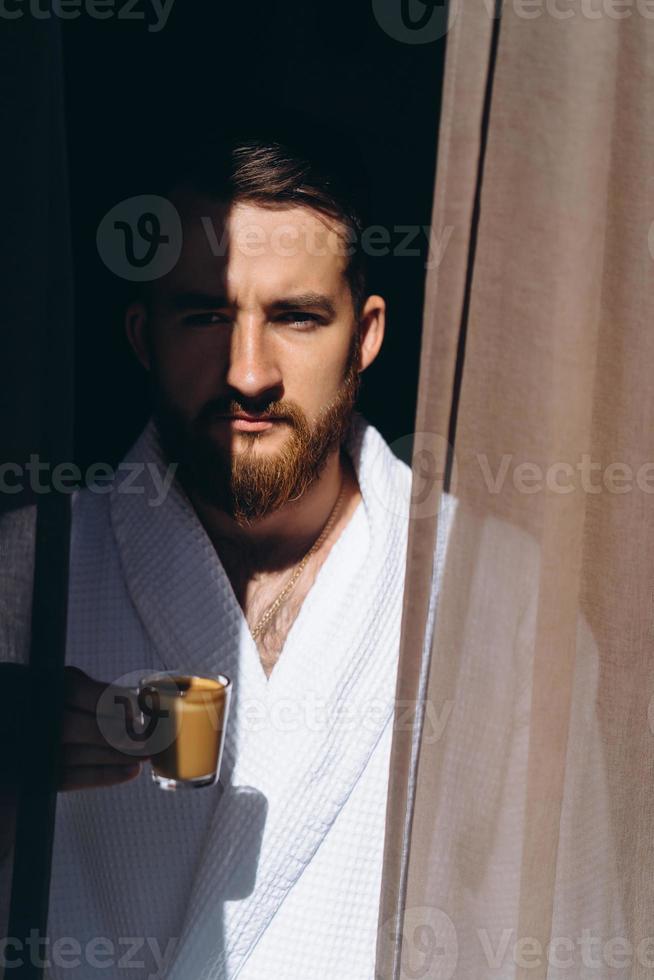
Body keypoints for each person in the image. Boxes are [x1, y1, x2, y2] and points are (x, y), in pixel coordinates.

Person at [45, 131, 450, 980]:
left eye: (297, 317)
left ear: (366, 335)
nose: (250, 373)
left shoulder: (486, 590)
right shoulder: (28, 575)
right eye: (206, 315)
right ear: (142, 335)